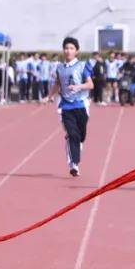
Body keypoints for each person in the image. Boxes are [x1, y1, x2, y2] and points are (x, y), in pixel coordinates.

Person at [48, 37, 93, 177]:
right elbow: (57, 84)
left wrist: (79, 86)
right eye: (66, 48)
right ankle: (73, 164)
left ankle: (75, 150)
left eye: (71, 48)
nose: (68, 51)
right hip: (65, 106)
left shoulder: (83, 65)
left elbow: (91, 85)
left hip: (81, 105)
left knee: (81, 136)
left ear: (77, 51)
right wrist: (49, 96)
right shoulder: (60, 67)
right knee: (72, 134)